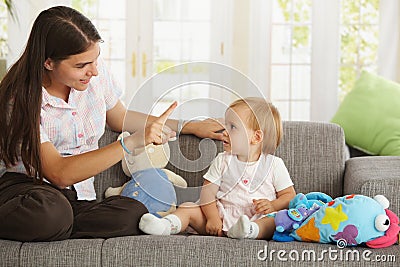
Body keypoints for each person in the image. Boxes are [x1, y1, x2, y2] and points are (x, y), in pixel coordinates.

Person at [0, 6, 223, 242]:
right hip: (27, 193)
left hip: (74, 199)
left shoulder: (93, 77)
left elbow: (120, 118)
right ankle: (55, 223)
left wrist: (187, 126)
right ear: (48, 63)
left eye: (96, 60)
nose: (94, 71)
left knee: (133, 214)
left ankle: (58, 226)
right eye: (81, 65)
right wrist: (130, 143)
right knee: (51, 212)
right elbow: (59, 173)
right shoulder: (19, 101)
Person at [139, 97, 296, 240]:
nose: (225, 132)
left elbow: (289, 196)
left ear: (256, 137)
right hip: (219, 221)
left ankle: (249, 231)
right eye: (225, 125)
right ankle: (165, 225)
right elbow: (207, 193)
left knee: (274, 221)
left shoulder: (274, 165)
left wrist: (273, 205)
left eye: (233, 127)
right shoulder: (222, 160)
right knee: (188, 207)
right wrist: (213, 218)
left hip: (255, 219)